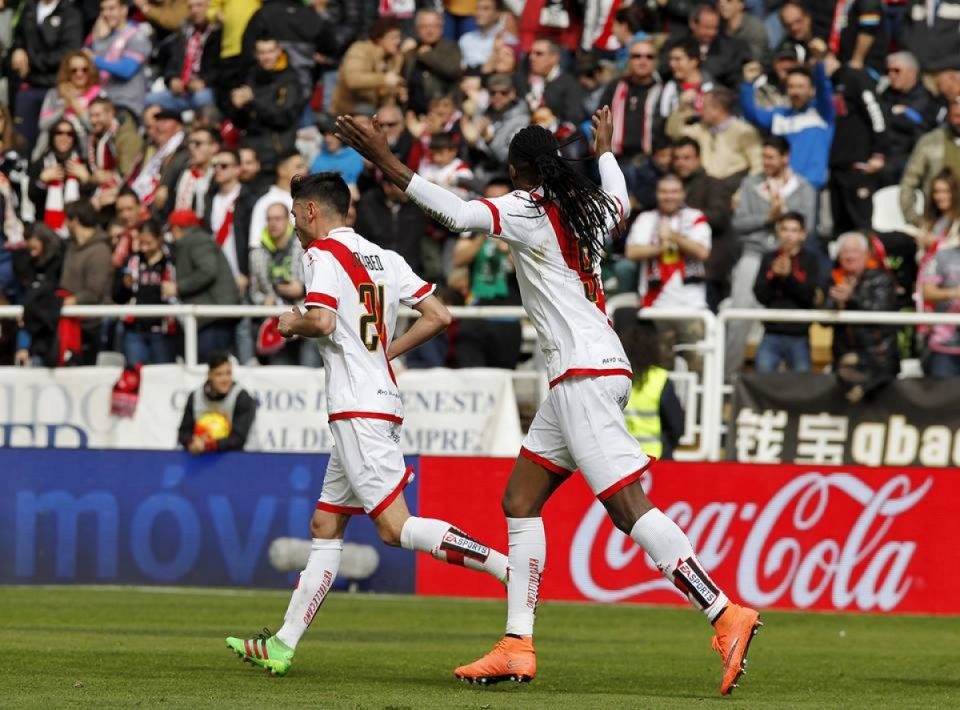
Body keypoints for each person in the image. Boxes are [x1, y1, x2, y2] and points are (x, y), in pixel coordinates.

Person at [336, 107, 761, 694]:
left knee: (627, 508)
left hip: (584, 373)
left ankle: (724, 613)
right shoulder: (588, 207)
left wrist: (385, 160)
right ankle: (517, 643)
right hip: (586, 371)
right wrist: (606, 151)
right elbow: (621, 200)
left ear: (517, 171)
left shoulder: (526, 208)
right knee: (520, 499)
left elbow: (458, 214)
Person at [225, 171, 510, 675]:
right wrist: (385, 353)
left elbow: (322, 320)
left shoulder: (320, 255)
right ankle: (283, 644)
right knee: (325, 524)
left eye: (295, 212)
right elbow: (439, 316)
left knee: (395, 529)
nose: (294, 223)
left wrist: (291, 321)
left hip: (356, 407)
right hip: (375, 400)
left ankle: (508, 568)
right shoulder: (386, 258)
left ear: (312, 211)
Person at [726, 135, 817, 376]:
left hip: (790, 258)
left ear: (785, 158)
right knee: (738, 318)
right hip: (754, 254)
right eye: (763, 157)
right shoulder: (750, 184)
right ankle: (728, 377)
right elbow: (738, 223)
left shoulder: (803, 188)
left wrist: (783, 214)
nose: (765, 162)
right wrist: (768, 217)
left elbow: (809, 225)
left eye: (771, 157)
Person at [625, 171, 713, 369]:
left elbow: (702, 252)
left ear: (683, 194)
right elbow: (632, 251)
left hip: (692, 307)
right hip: (656, 305)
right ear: (657, 194)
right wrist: (660, 247)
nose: (669, 196)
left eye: (674, 191)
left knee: (698, 366)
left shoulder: (695, 217)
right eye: (664, 192)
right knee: (659, 368)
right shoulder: (646, 219)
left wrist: (674, 236)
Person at [740, 44, 835, 194]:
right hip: (782, 187)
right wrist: (747, 84)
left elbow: (824, 88)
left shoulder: (822, 113)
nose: (795, 91)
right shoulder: (779, 115)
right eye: (791, 87)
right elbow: (752, 115)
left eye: (801, 86)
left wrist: (819, 62)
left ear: (811, 90)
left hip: (811, 187)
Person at [450, 178, 523, 369]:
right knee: (470, 373)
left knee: (504, 375)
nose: (494, 206)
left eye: (499, 200)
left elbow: (530, 269)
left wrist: (508, 250)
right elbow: (458, 258)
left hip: (508, 314)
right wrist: (484, 234)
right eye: (489, 200)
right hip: (476, 312)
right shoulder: (474, 229)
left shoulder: (523, 230)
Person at [825, 232, 899, 402]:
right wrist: (837, 304)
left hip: (878, 359)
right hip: (844, 357)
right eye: (845, 252)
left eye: (854, 251)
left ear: (866, 254)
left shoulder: (882, 278)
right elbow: (823, 320)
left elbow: (881, 312)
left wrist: (852, 298)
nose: (849, 256)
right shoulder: (834, 278)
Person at [164, 209, 240, 360]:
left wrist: (178, 287)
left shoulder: (197, 241)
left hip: (213, 318)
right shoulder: (196, 240)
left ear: (176, 228)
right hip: (212, 316)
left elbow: (208, 271)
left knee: (211, 362)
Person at [826, 55, 887, 236]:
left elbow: (876, 113)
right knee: (839, 228)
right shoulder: (827, 83)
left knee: (862, 226)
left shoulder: (855, 77)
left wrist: (878, 152)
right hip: (836, 167)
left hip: (858, 166)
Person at [9, 0, 84, 147]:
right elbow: (18, 37)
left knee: (51, 142)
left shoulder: (71, 13)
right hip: (28, 87)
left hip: (56, 89)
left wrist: (31, 62)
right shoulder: (29, 8)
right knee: (22, 141)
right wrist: (17, 50)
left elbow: (68, 53)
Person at [752, 212, 820, 373]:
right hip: (771, 333)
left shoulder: (811, 260)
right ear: (778, 232)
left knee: (801, 383)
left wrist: (789, 277)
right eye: (784, 229)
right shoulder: (769, 258)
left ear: (803, 234)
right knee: (763, 380)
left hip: (799, 335)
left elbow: (809, 296)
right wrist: (775, 278)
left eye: (794, 230)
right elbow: (760, 295)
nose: (789, 235)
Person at [226, 36, 304, 174]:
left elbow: (283, 117)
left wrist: (253, 100)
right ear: (256, 54)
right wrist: (237, 107)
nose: (266, 57)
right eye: (262, 52)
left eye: (270, 51)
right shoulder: (251, 76)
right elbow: (240, 122)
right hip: (250, 150)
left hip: (277, 150)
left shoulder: (290, 79)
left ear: (279, 51)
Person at [666, 86, 762, 184]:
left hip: (732, 186)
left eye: (704, 107)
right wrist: (682, 108)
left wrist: (744, 190)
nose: (700, 111)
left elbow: (758, 165)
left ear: (717, 109)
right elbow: (674, 132)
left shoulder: (744, 132)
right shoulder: (701, 129)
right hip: (705, 185)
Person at [619, 322, 685, 460]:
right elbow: (676, 425)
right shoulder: (659, 378)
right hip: (656, 457)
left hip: (621, 457)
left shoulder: (617, 378)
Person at [116, 218, 177, 365]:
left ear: (159, 239)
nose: (144, 248)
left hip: (162, 329)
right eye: (141, 243)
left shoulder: (172, 261)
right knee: (135, 372)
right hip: (135, 329)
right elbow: (117, 295)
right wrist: (124, 285)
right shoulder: (132, 261)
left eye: (148, 243)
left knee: (163, 373)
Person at [61, 200, 114, 366]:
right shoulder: (71, 246)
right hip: (72, 321)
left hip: (92, 325)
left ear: (75, 220)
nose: (64, 224)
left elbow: (94, 292)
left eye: (67, 219)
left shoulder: (100, 250)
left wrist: (68, 301)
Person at [146, 0, 221, 113]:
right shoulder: (183, 32)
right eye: (190, 7)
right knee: (148, 100)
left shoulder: (217, 32)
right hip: (182, 91)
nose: (194, 10)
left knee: (202, 98)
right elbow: (173, 61)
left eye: (199, 5)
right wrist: (172, 79)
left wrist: (204, 82)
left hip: (205, 89)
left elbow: (220, 67)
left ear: (209, 7)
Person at [877, 52, 939, 187]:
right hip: (883, 154)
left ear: (912, 73)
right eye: (888, 71)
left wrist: (891, 113)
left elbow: (909, 123)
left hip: (907, 158)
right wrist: (894, 111)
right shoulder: (887, 93)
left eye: (896, 71)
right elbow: (877, 115)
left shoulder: (924, 97)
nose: (891, 75)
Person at [178, 352, 257, 453]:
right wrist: (192, 442)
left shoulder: (242, 398)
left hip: (238, 456)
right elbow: (183, 433)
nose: (225, 379)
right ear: (209, 375)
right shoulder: (195, 397)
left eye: (228, 373)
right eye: (219, 374)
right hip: (201, 456)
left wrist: (209, 445)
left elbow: (238, 439)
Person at [86, 0, 153, 116]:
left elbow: (126, 70)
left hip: (128, 105)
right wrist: (98, 39)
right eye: (103, 9)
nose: (106, 13)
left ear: (124, 10)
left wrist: (94, 59)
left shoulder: (137, 36)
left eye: (111, 9)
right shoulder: (104, 37)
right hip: (104, 103)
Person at [900, 100, 960, 226]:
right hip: (938, 220)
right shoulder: (930, 142)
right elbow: (908, 182)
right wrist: (914, 218)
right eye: (957, 116)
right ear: (948, 115)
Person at [35, 51, 103, 162]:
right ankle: (36, 166)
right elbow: (43, 125)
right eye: (74, 70)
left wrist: (75, 104)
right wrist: (63, 107)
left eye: (84, 70)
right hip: (53, 152)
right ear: (67, 72)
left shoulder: (98, 94)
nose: (79, 74)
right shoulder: (54, 94)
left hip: (84, 153)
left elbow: (95, 128)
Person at [330, 18, 405, 116]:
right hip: (350, 110)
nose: (398, 41)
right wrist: (383, 79)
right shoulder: (360, 50)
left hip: (376, 112)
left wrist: (399, 91)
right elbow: (352, 80)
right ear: (380, 39)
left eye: (398, 37)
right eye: (393, 37)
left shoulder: (395, 58)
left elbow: (391, 86)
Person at [28, 121, 90, 238]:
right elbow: (32, 197)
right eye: (59, 133)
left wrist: (86, 179)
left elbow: (90, 201)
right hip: (47, 231)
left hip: (77, 230)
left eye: (69, 134)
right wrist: (42, 181)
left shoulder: (82, 163)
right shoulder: (41, 163)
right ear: (52, 136)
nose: (64, 138)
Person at [402, 8, 463, 115]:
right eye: (425, 26)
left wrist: (427, 55)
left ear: (441, 28)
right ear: (417, 29)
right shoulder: (411, 52)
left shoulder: (451, 48)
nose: (430, 31)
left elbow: (452, 70)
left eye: (434, 26)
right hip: (413, 112)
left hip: (441, 112)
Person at [516, 37, 585, 124]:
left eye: (539, 54)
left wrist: (551, 120)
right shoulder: (522, 79)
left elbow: (573, 118)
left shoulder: (570, 85)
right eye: (530, 53)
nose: (531, 57)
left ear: (554, 58)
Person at [919, 238, 960, 377]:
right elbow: (926, 292)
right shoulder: (942, 256)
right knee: (943, 390)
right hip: (945, 345)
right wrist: (954, 292)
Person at [660, 38, 715, 119]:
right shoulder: (670, 87)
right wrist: (681, 107)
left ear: (693, 61)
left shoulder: (713, 85)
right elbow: (664, 119)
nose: (672, 64)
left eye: (678, 59)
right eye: (671, 59)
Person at [172, 126, 219, 216]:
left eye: (198, 143)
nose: (191, 147)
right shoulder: (184, 172)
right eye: (190, 143)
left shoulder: (220, 175)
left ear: (214, 147)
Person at [310, 114, 364, 186]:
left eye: (332, 135)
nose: (327, 139)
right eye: (325, 134)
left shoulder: (355, 156)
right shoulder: (319, 158)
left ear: (341, 135)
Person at [717, 0, 768, 65]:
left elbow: (757, 57)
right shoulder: (718, 25)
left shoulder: (754, 27)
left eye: (729, 1)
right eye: (719, 1)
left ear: (741, 4)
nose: (722, 5)